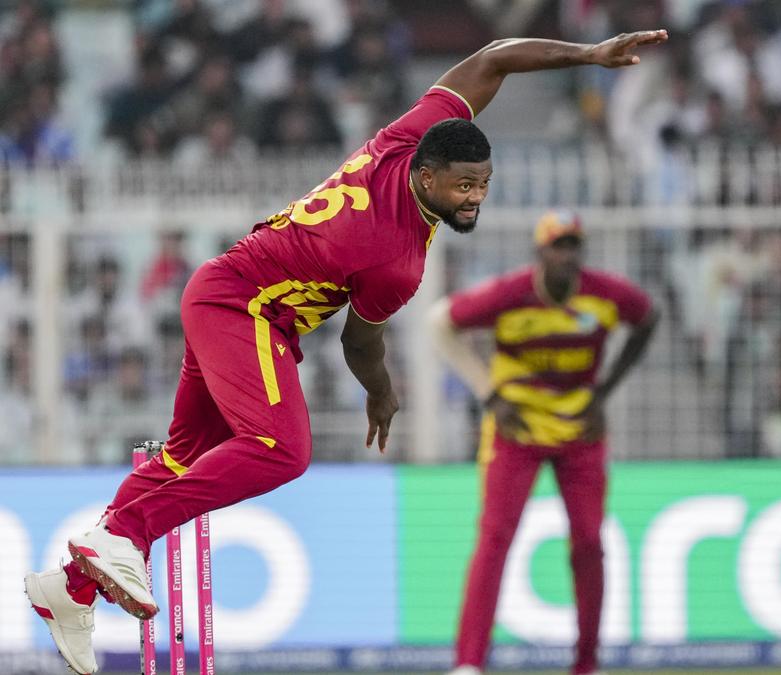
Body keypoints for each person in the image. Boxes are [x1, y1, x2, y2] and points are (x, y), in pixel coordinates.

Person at [23, 30, 668, 675]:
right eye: (464, 186)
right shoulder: (398, 261)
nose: (474, 198)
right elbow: (360, 343)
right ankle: (121, 536)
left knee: (186, 455)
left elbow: (494, 57)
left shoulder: (409, 132)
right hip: (242, 306)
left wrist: (589, 55)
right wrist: (382, 393)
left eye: (484, 184)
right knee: (282, 451)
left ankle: (70, 591)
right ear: (427, 174)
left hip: (233, 298)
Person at [427, 210, 659, 675]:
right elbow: (439, 322)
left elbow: (649, 317)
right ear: (539, 252)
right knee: (494, 539)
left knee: (590, 543)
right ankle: (468, 664)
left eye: (573, 246)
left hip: (580, 432)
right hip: (517, 433)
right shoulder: (511, 294)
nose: (566, 255)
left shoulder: (604, 295)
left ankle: (586, 663)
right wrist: (490, 395)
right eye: (558, 245)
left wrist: (605, 392)